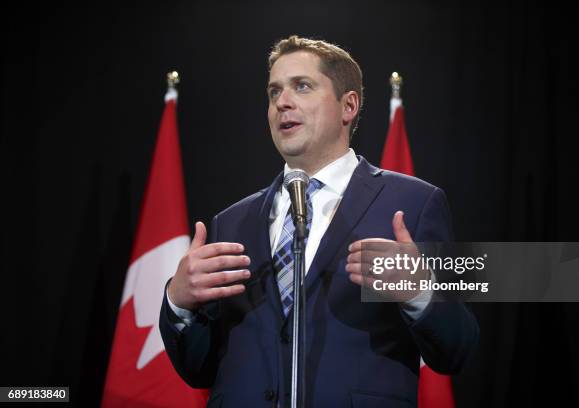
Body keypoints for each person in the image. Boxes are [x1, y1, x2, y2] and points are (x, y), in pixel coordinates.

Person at [159, 35, 479, 408]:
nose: (282, 102)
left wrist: (419, 292)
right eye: (273, 92)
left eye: (302, 86)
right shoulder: (232, 222)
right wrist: (178, 303)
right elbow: (199, 368)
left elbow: (458, 349)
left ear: (349, 106)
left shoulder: (413, 204)